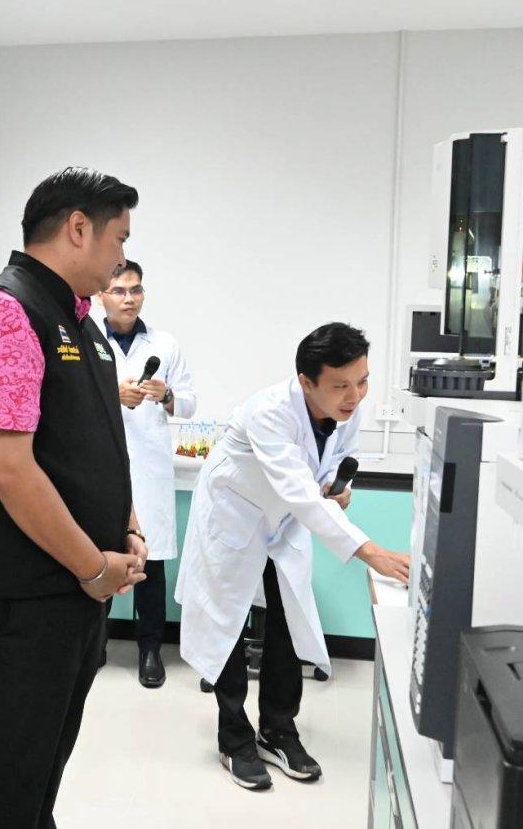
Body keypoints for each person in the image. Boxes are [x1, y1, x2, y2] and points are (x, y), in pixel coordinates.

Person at [0, 167, 148, 828]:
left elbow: (93, 442)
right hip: (28, 592)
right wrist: (92, 566)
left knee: (44, 760)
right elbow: (9, 468)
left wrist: (126, 525)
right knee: (14, 766)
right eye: (119, 238)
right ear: (78, 228)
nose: (122, 255)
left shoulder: (81, 322)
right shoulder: (4, 313)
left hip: (76, 588)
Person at [176, 322, 410, 791]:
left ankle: (279, 729)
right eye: (341, 385)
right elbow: (299, 490)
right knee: (226, 622)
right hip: (233, 515)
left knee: (290, 618)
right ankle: (234, 739)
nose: (355, 396)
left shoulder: (346, 408)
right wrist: (371, 552)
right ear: (306, 381)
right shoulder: (269, 412)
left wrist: (335, 489)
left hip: (284, 521)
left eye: (363, 381)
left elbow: (328, 470)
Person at [100, 260, 196, 688]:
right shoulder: (86, 339)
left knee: (150, 563)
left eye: (136, 290)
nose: (129, 299)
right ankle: (94, 644)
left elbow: (189, 403)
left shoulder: (165, 344)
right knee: (98, 555)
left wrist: (167, 394)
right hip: (103, 460)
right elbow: (66, 395)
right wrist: (113, 393)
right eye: (119, 290)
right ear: (101, 295)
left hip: (150, 464)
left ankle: (151, 650)